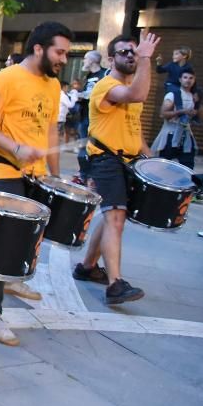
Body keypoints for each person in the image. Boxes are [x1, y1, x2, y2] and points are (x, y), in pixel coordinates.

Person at [0, 21, 70, 345]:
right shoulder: (6, 78)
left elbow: (50, 132)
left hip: (38, 173)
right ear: (38, 48)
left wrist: (56, 177)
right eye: (59, 51)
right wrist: (15, 147)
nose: (63, 58)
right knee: (4, 241)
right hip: (5, 168)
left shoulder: (54, 85)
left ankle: (12, 280)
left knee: (31, 235)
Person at [73, 33, 161, 305]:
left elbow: (134, 130)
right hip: (106, 159)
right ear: (111, 59)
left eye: (135, 52)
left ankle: (87, 267)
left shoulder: (128, 87)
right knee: (116, 218)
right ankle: (115, 285)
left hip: (127, 161)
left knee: (111, 214)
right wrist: (147, 57)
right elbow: (138, 93)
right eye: (124, 52)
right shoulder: (106, 86)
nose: (131, 55)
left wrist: (152, 160)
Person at [150, 69, 203, 169]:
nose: (188, 80)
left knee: (187, 167)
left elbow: (202, 117)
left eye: (191, 78)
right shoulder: (173, 94)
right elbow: (163, 114)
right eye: (185, 77)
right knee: (162, 165)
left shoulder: (194, 96)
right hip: (170, 134)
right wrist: (182, 111)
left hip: (186, 135)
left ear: (194, 80)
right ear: (180, 79)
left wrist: (198, 103)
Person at [74, 49, 108, 185]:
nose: (84, 61)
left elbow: (100, 94)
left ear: (93, 60)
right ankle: (84, 174)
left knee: (91, 148)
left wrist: (82, 95)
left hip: (95, 119)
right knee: (83, 146)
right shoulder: (88, 76)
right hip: (84, 116)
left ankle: (88, 175)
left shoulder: (105, 74)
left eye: (86, 58)